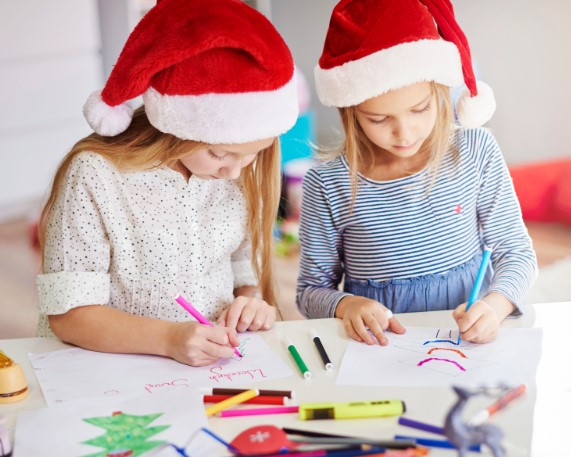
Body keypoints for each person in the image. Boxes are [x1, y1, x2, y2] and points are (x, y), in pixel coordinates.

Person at [36, 0, 299, 366]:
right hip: (113, 373)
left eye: (254, 153)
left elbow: (241, 263)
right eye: (220, 155)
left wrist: (251, 301)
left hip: (214, 368)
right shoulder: (97, 175)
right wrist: (170, 339)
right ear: (179, 127)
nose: (236, 173)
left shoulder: (238, 170)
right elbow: (68, 315)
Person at [297, 0, 537, 346]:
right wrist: (346, 304)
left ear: (439, 90)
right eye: (378, 119)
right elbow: (310, 291)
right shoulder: (326, 184)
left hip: (469, 345)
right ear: (350, 113)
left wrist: (495, 306)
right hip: (383, 352)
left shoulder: (476, 151)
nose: (405, 133)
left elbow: (516, 252)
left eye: (420, 109)